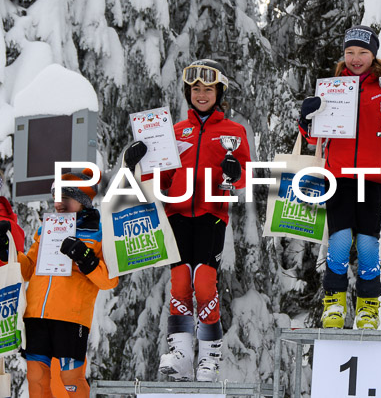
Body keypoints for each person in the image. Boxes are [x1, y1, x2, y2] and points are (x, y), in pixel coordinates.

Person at [125, 59, 251, 381]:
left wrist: (236, 173)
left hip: (212, 215)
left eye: (208, 89)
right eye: (196, 89)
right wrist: (137, 163)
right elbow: (160, 179)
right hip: (177, 215)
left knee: (204, 283)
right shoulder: (175, 132)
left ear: (219, 91)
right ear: (187, 93)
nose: (202, 94)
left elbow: (244, 176)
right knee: (180, 282)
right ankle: (180, 353)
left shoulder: (233, 132)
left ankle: (209, 357)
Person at [298, 25, 381, 329]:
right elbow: (314, 138)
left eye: (362, 52)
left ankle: (368, 307)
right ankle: (333, 304)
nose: (355, 58)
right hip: (337, 175)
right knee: (338, 240)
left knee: (366, 244)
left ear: (373, 54)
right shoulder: (334, 86)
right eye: (350, 52)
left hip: (372, 177)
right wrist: (306, 118)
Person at [2, 168, 118, 398]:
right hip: (36, 316)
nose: (58, 204)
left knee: (71, 379)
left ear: (83, 200)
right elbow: (26, 270)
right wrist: (8, 252)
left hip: (70, 317)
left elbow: (109, 280)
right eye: (56, 198)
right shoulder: (46, 229)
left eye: (65, 198)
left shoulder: (99, 232)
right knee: (36, 378)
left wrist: (85, 257)